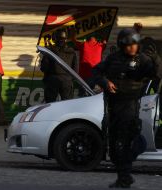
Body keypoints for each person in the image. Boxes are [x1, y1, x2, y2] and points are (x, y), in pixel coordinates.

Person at [92, 28, 162, 188]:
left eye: (135, 45)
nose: (133, 48)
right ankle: (124, 178)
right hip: (112, 107)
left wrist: (156, 59)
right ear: (122, 44)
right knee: (114, 150)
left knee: (127, 144)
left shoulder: (143, 60)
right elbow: (96, 71)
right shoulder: (113, 58)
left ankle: (125, 175)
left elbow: (156, 74)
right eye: (129, 45)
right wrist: (105, 82)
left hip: (130, 107)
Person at [40, 29, 78, 103]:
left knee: (50, 105)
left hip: (52, 81)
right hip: (67, 81)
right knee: (67, 104)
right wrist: (69, 79)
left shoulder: (50, 51)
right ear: (66, 39)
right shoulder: (71, 51)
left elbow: (44, 68)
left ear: (55, 38)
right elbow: (75, 69)